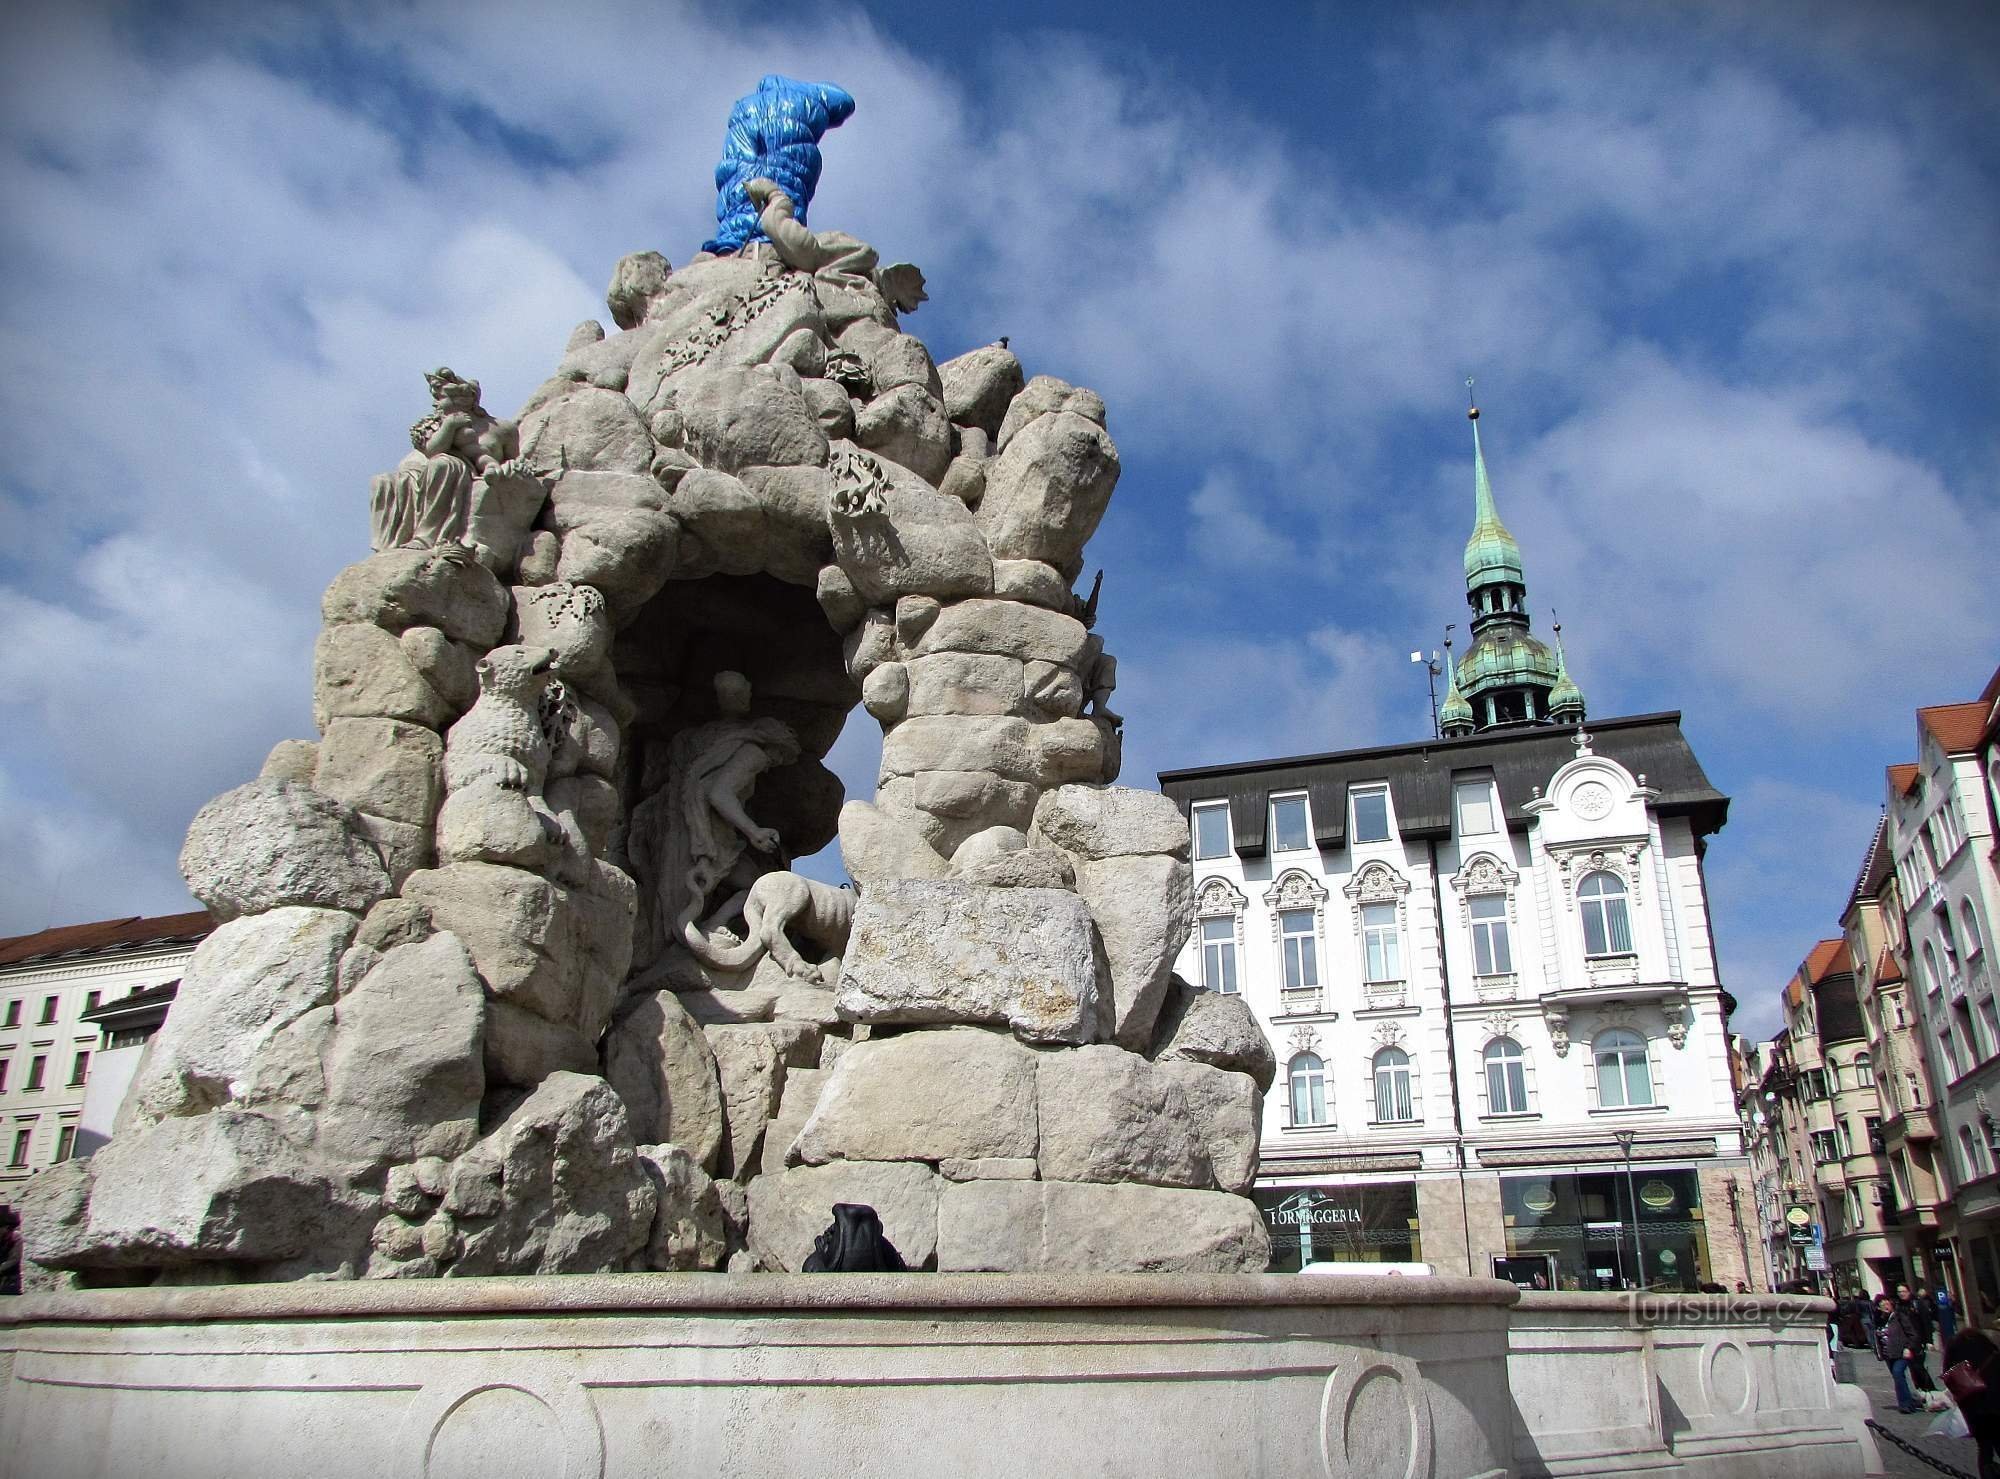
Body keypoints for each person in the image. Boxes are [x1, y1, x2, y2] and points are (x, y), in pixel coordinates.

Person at [1944, 1322, 2000, 1478]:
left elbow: (1948, 1374)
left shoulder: (1953, 1346)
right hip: (1995, 1404)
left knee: (1984, 1447)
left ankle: (1986, 1474)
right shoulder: (1988, 1347)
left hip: (1972, 1406)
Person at [1877, 1292, 1925, 1413]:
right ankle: (1911, 1401)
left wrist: (1908, 1348)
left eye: (1887, 1304)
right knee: (1898, 1378)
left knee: (1898, 1373)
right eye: (1882, 1305)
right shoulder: (1880, 1320)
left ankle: (1905, 1404)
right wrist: (1879, 1352)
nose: (1885, 1307)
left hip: (1901, 1352)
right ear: (1878, 1308)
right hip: (1888, 1354)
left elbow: (1912, 1334)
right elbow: (1877, 1337)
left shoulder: (1899, 1317)